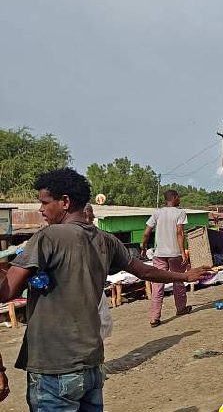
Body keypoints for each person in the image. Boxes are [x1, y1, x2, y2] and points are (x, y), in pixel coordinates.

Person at [0, 168, 211, 412]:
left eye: (44, 202)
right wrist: (184, 275)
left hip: (54, 368)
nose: (41, 210)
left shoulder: (48, 237)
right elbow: (144, 271)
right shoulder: (105, 239)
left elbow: (6, 292)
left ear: (65, 202)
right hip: (91, 364)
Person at [141, 189, 190, 327]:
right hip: (174, 254)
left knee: (158, 285)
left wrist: (144, 248)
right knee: (178, 281)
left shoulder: (157, 213)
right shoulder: (180, 212)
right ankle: (181, 309)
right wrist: (182, 252)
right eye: (178, 197)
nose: (179, 199)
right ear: (174, 198)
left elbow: (146, 233)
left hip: (159, 254)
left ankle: (154, 317)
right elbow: (179, 233)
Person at [85, 203, 114, 339]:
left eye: (91, 219)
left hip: (95, 287)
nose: (91, 223)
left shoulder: (99, 237)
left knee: (102, 325)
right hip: (81, 293)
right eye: (90, 219)